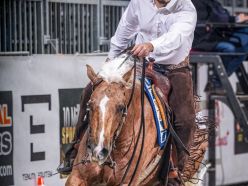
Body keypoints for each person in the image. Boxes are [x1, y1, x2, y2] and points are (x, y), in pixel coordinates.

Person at [58, 0, 197, 185]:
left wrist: (151, 45)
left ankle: (175, 171)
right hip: (138, 62)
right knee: (91, 91)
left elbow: (176, 37)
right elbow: (125, 29)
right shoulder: (139, 2)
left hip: (174, 67)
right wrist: (111, 60)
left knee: (185, 118)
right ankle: (75, 148)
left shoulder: (186, 8)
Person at [191, 0, 248, 91]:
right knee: (231, 49)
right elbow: (217, 18)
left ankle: (218, 80)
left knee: (244, 44)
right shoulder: (197, 2)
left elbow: (221, 16)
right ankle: (216, 81)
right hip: (203, 40)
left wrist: (236, 18)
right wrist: (236, 19)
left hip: (215, 36)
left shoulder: (214, 2)